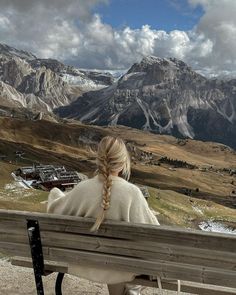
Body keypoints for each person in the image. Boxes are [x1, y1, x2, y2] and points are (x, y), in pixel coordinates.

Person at [47, 136, 160, 295]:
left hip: (85, 264)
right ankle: (132, 290)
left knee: (115, 261)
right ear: (122, 163)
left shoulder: (82, 189)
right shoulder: (132, 193)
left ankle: (129, 290)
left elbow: (54, 210)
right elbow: (155, 233)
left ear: (98, 160)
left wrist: (55, 192)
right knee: (125, 259)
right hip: (121, 269)